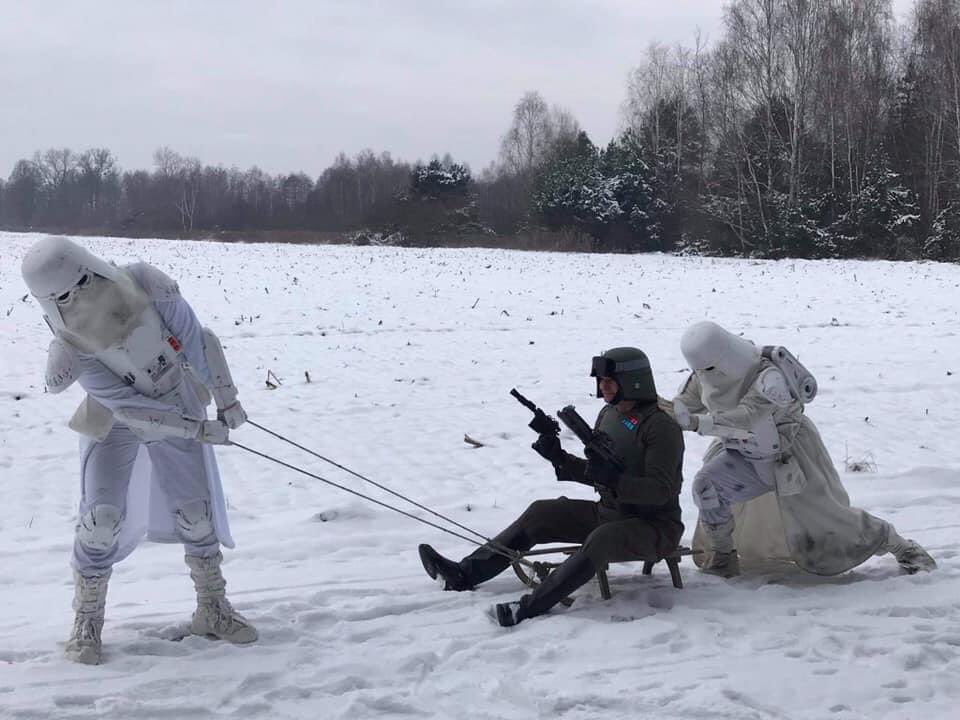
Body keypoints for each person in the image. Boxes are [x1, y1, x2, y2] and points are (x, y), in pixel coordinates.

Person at [20, 236, 258, 665]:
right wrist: (195, 428)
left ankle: (212, 607)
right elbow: (126, 405)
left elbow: (196, 340)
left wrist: (227, 400)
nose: (82, 297)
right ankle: (87, 621)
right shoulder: (70, 346)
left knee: (196, 512)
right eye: (66, 296)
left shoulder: (146, 282)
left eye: (84, 281)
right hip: (114, 420)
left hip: (176, 395)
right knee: (100, 519)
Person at [418, 347, 684, 627]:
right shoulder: (609, 415)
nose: (603, 387)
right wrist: (560, 458)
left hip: (655, 527)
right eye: (601, 381)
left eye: (610, 381)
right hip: (610, 513)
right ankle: (464, 574)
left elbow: (661, 491)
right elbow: (597, 473)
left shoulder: (661, 428)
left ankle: (528, 608)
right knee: (541, 513)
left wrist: (615, 481)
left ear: (633, 382)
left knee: (603, 539)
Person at [670, 320, 936, 578]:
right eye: (701, 369)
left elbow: (748, 416)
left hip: (789, 456)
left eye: (709, 367)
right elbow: (685, 403)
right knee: (707, 488)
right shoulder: (703, 373)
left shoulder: (768, 376)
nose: (706, 374)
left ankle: (902, 547)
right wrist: (663, 410)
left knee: (829, 520)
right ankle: (723, 558)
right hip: (742, 455)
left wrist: (698, 422)